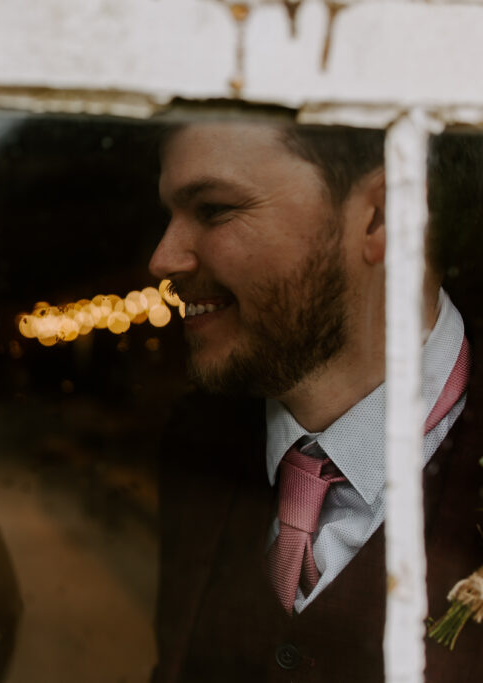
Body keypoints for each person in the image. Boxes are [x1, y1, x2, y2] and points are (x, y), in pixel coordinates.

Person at [148, 119, 483, 681]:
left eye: (213, 210)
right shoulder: (196, 443)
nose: (164, 258)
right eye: (171, 215)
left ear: (383, 216)